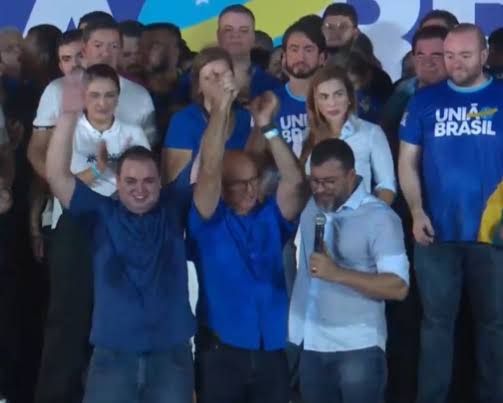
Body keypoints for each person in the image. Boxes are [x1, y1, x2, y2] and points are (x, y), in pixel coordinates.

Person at [45, 70, 195, 403]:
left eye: (148, 181)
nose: (140, 189)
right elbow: (56, 175)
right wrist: (68, 115)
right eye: (130, 182)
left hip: (170, 355)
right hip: (112, 355)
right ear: (118, 183)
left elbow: (207, 168)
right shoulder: (100, 213)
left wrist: (222, 112)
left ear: (160, 183)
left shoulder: (173, 207)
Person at [398, 23, 503, 403]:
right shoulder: (424, 100)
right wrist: (416, 211)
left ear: (484, 55)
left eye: (465, 55)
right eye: (450, 55)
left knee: (495, 327)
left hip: (493, 234)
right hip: (436, 233)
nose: (455, 63)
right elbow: (407, 162)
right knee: (436, 326)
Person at [189, 66, 306, 403]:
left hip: (271, 349)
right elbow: (210, 168)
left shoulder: (271, 216)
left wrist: (267, 127)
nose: (251, 190)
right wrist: (220, 110)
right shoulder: (207, 220)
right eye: (240, 184)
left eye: (254, 181)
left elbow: (295, 181)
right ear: (223, 188)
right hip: (223, 351)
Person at [289, 138, 408, 403]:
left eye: (329, 182)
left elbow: (398, 287)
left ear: (351, 175)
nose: (320, 189)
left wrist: (337, 274)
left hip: (358, 348)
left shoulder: (380, 218)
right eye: (315, 181)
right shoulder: (310, 206)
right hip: (310, 345)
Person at [28, 19, 157, 182]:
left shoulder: (140, 95)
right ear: (85, 49)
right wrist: (62, 184)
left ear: (121, 50)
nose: (106, 53)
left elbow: (149, 154)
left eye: (113, 46)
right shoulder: (56, 90)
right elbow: (37, 150)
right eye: (98, 45)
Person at [162, 47, 251, 202]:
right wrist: (220, 108)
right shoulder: (183, 121)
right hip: (194, 202)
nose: (218, 82)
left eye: (223, 76)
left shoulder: (246, 118)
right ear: (198, 86)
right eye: (209, 78)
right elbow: (174, 184)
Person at [302, 65, 396, 205]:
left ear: (349, 97)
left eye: (338, 94)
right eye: (324, 97)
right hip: (317, 216)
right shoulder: (307, 136)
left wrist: (371, 215)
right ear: (315, 102)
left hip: (360, 214)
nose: (332, 103)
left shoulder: (371, 132)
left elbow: (387, 186)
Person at [381, 25, 449, 160]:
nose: (428, 62)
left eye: (436, 55)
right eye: (421, 55)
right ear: (413, 58)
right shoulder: (401, 94)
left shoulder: (467, 93)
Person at [216, 4, 281, 101]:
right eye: (228, 30)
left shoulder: (274, 86)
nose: (235, 35)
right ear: (218, 35)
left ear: (253, 37)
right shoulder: (199, 81)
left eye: (243, 30)